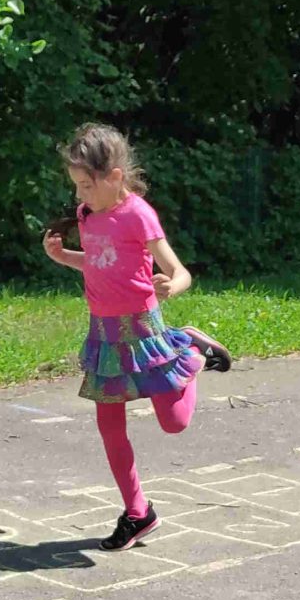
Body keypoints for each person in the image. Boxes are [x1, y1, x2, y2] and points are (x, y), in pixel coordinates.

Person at [41, 124, 230, 551]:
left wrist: (172, 286)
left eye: (86, 185)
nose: (79, 195)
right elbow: (100, 262)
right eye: (76, 185)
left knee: (174, 423)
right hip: (103, 335)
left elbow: (179, 270)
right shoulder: (88, 215)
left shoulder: (138, 214)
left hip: (144, 331)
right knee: (110, 427)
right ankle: (137, 512)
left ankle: (193, 351)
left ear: (115, 177)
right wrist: (64, 256)